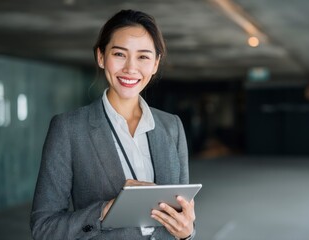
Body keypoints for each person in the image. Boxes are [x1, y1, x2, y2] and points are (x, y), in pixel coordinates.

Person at [30, 9, 196, 240]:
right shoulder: (68, 128)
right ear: (101, 56)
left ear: (156, 63)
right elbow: (43, 229)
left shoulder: (172, 126)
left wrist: (187, 233)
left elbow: (184, 215)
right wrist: (104, 211)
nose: (130, 68)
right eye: (119, 54)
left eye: (143, 56)